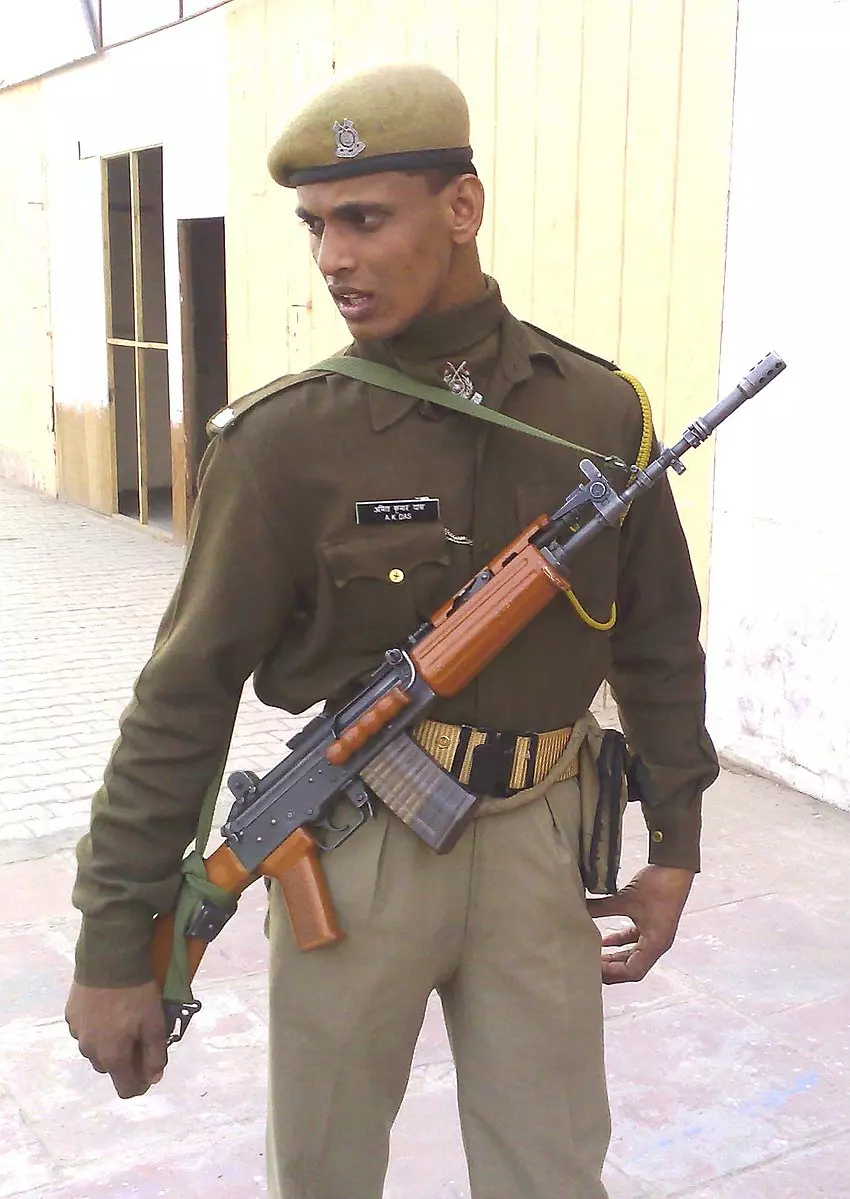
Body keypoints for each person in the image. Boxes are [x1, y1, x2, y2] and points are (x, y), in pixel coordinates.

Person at [65, 63, 719, 1199]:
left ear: (460, 208)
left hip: (539, 837)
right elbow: (183, 693)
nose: (332, 259)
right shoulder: (282, 441)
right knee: (323, 1168)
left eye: (364, 219)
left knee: (553, 1168)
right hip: (356, 844)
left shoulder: (598, 412)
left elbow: (658, 638)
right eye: (317, 225)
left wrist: (673, 842)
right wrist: (117, 943)